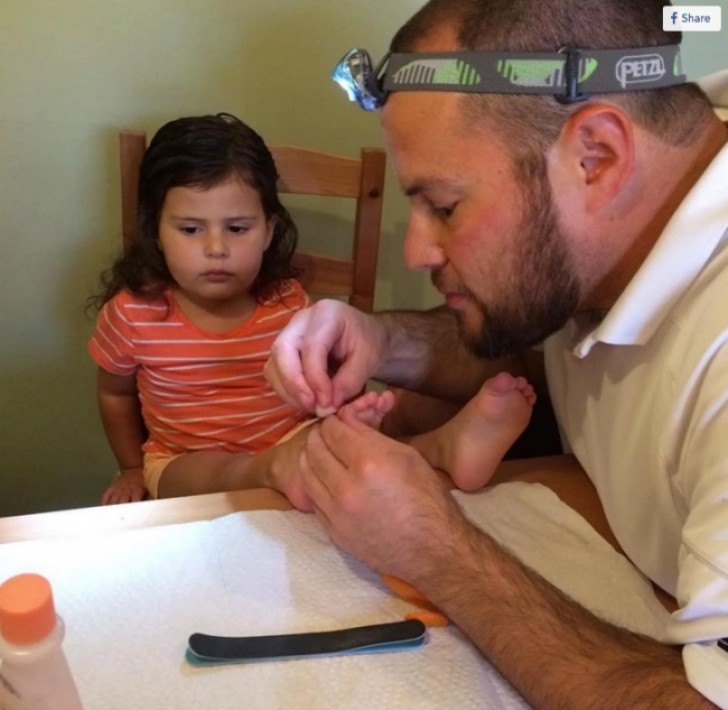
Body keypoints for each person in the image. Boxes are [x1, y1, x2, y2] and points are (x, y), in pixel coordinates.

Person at [265, 0, 728, 706]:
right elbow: (551, 346)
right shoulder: (649, 185)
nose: (416, 249)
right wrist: (385, 338)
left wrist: (439, 551)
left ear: (596, 157)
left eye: (444, 207)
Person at [88, 113, 317, 505]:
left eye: (238, 228)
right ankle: (264, 472)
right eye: (191, 229)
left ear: (269, 232)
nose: (216, 248)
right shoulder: (131, 314)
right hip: (182, 466)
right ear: (155, 232)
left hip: (287, 447)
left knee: (332, 439)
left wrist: (339, 412)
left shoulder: (290, 303)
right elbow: (115, 395)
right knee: (195, 471)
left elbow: (314, 384)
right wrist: (129, 467)